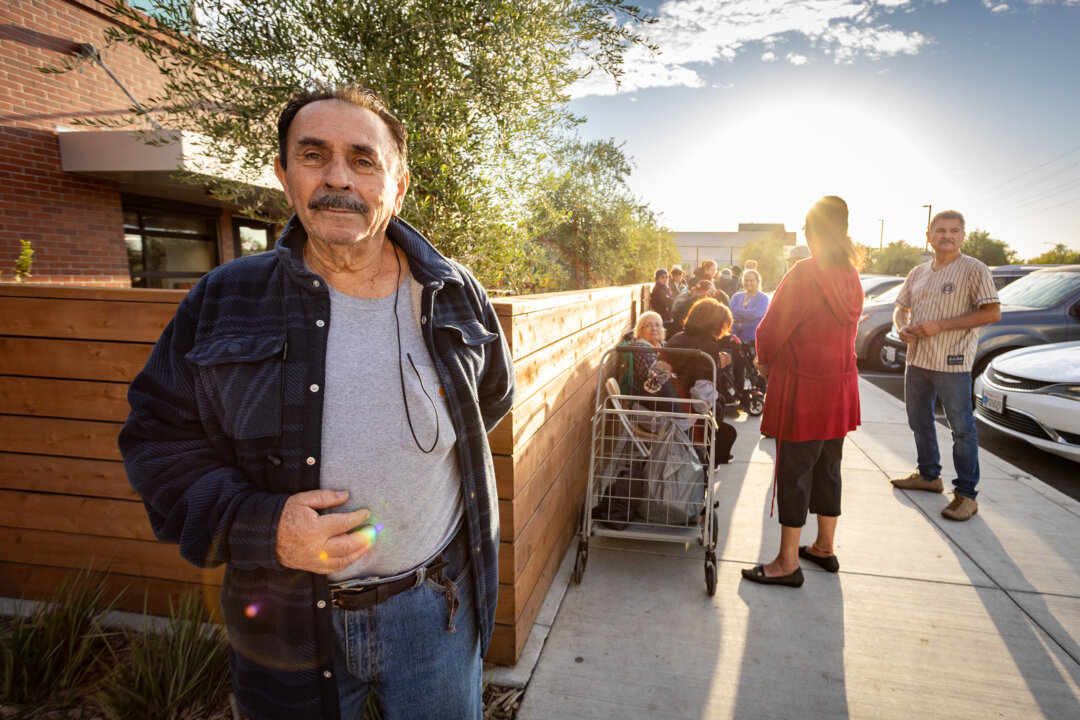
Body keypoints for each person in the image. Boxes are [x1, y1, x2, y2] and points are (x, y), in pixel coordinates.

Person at [118, 85, 515, 720]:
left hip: (435, 609)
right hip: (286, 620)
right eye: (313, 155)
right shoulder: (224, 300)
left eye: (363, 159)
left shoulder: (454, 291)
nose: (337, 178)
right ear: (283, 173)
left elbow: (491, 396)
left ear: (398, 183)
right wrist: (263, 526)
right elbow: (155, 438)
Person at [741, 196, 862, 588]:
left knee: (794, 471)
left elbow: (772, 327)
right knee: (829, 466)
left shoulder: (806, 272)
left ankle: (786, 562)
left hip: (805, 387)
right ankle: (824, 547)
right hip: (839, 385)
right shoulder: (852, 275)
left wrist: (763, 360)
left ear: (811, 231)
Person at [889, 210, 1000, 521]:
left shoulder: (974, 269)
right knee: (919, 421)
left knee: (962, 429)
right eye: (940, 230)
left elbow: (992, 313)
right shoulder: (918, 272)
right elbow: (901, 308)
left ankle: (966, 495)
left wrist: (941, 326)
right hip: (918, 361)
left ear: (963, 236)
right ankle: (928, 475)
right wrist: (901, 326)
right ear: (929, 236)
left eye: (954, 230)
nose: (947, 235)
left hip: (953, 364)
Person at [664, 297, 739, 464]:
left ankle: (712, 453)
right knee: (717, 404)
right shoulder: (708, 346)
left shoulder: (676, 338)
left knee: (719, 402)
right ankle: (708, 456)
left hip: (656, 406)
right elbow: (702, 395)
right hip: (677, 414)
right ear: (716, 324)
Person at [730, 269, 769, 344]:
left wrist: (737, 310)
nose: (748, 283)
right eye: (746, 280)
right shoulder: (736, 296)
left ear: (758, 281)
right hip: (735, 338)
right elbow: (730, 314)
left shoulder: (763, 298)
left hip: (753, 340)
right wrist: (748, 315)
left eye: (751, 280)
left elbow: (755, 314)